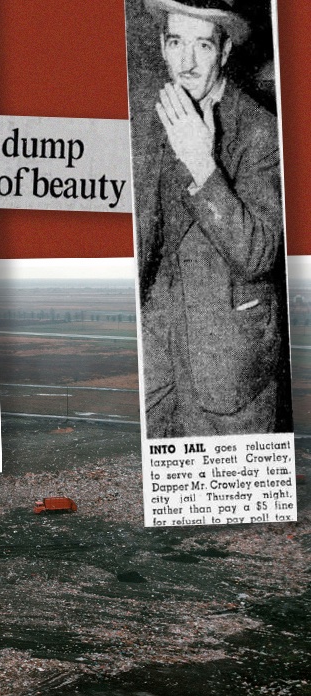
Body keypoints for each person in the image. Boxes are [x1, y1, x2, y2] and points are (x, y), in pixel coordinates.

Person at [132, 0, 290, 438]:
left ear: (223, 53)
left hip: (228, 360)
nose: (186, 62)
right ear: (163, 47)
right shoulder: (149, 115)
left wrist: (204, 167)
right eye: (176, 42)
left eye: (202, 45)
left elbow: (259, 253)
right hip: (154, 355)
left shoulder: (262, 131)